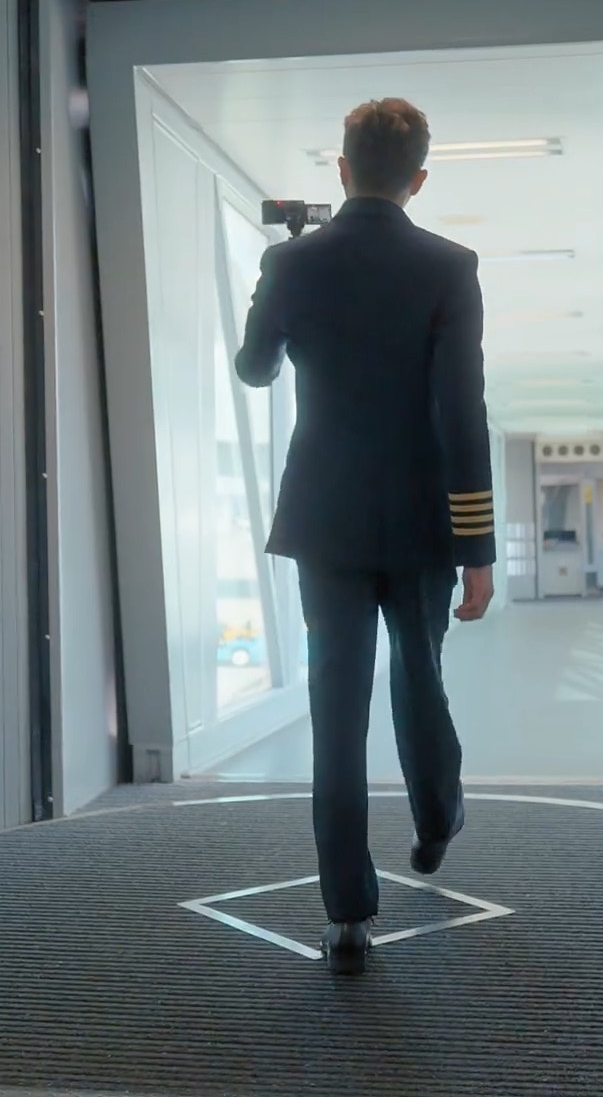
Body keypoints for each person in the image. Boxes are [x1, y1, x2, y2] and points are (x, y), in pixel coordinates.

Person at [235, 98, 495, 976]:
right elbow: (462, 412)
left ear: (341, 169)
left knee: (335, 712)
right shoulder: (450, 267)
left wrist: (273, 299)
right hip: (422, 521)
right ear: (418, 178)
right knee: (420, 677)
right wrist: (477, 548)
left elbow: (255, 369)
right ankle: (436, 821)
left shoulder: (291, 261)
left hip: (326, 520)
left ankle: (348, 913)